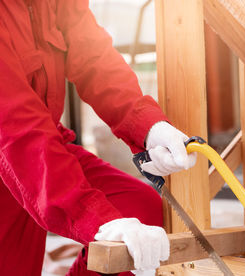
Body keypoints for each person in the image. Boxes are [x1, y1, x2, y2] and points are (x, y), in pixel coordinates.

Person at [0, 0, 196, 275]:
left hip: (43, 150)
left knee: (139, 214)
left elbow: (94, 57)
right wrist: (97, 220)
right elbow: (17, 127)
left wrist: (148, 126)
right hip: (17, 147)